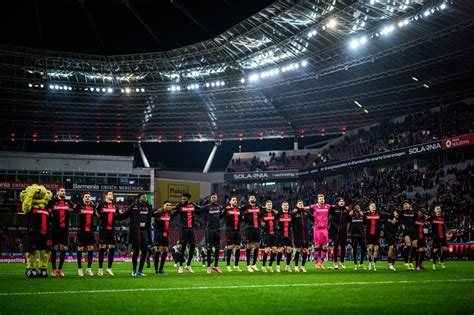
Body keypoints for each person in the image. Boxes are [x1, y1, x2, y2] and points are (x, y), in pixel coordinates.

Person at [118, 194, 153, 276]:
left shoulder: (148, 207)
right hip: (136, 232)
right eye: (143, 196)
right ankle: (134, 270)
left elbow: (153, 214)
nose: (145, 198)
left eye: (145, 197)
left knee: (144, 252)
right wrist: (116, 215)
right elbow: (125, 214)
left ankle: (140, 270)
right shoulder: (134, 206)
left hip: (145, 232)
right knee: (136, 252)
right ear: (139, 198)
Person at [172, 193, 201, 274]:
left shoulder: (192, 205)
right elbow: (173, 211)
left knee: (192, 247)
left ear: (188, 199)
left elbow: (200, 210)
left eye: (184, 199)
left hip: (191, 229)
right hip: (183, 229)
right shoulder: (179, 206)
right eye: (182, 199)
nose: (182, 200)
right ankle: (180, 265)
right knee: (183, 247)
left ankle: (188, 265)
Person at [47, 187, 74, 277]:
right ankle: (54, 269)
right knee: (54, 248)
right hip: (54, 228)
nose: (64, 192)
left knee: (63, 248)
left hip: (64, 229)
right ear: (57, 192)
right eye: (62, 191)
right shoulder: (52, 202)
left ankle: (60, 269)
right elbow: (46, 209)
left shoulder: (68, 202)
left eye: (64, 191)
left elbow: (75, 208)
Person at [95, 191, 118, 276]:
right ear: (106, 196)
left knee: (112, 248)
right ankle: (100, 269)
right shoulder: (101, 205)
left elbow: (118, 216)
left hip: (111, 230)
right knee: (102, 248)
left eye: (112, 194)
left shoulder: (114, 206)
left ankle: (109, 268)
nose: (112, 195)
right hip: (103, 230)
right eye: (110, 194)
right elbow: (96, 213)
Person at [74, 192, 96, 276]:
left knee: (90, 248)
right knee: (80, 249)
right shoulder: (80, 206)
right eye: (86, 197)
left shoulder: (92, 206)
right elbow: (73, 210)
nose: (87, 198)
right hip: (81, 231)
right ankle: (80, 269)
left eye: (88, 197)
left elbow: (97, 215)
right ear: (83, 198)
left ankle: (88, 269)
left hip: (90, 231)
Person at [200, 193, 223, 274]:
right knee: (209, 248)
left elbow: (222, 216)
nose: (214, 198)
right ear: (210, 199)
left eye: (215, 197)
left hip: (217, 230)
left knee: (217, 248)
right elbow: (199, 209)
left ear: (217, 199)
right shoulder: (207, 207)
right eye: (212, 197)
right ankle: (209, 266)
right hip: (209, 230)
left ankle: (216, 266)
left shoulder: (220, 207)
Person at [240, 192, 262, 272]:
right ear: (249, 200)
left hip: (257, 229)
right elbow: (238, 210)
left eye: (254, 197)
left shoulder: (258, 207)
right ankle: (248, 265)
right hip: (249, 229)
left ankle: (254, 264)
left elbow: (264, 211)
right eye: (251, 198)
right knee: (248, 246)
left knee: (257, 245)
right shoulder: (245, 207)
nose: (253, 199)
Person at [309, 194, 330, 270]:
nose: (322, 200)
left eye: (323, 198)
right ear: (317, 200)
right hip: (317, 229)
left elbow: (336, 207)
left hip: (324, 229)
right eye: (320, 199)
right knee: (317, 246)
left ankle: (321, 263)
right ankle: (316, 263)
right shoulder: (314, 206)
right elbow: (306, 208)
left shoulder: (328, 206)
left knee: (324, 247)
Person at [222, 196, 242, 272]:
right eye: (233, 200)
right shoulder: (227, 209)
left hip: (237, 231)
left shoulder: (238, 210)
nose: (235, 201)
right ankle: (228, 265)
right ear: (230, 202)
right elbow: (221, 216)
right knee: (230, 247)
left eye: (236, 200)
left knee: (238, 247)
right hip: (229, 231)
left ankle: (236, 265)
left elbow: (241, 219)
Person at [291, 200, 311, 272]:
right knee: (298, 250)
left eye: (302, 204)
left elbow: (313, 218)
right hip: (297, 234)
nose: (301, 205)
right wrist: (294, 212)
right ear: (297, 205)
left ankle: (302, 266)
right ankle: (296, 266)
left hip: (305, 234)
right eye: (299, 204)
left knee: (305, 250)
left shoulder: (306, 212)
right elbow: (290, 220)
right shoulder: (294, 213)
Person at [329, 198, 349, 270]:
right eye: (340, 201)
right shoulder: (334, 209)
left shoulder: (346, 211)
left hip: (343, 232)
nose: (342, 202)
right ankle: (335, 263)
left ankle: (342, 262)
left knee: (343, 247)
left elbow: (349, 219)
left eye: (343, 201)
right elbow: (327, 211)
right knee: (335, 247)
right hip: (335, 231)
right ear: (337, 202)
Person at [154, 200, 173, 274]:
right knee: (158, 251)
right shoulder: (159, 212)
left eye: (169, 205)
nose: (168, 206)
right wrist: (156, 212)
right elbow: (152, 214)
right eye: (167, 205)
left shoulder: (169, 213)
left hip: (166, 234)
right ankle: (156, 270)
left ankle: (161, 269)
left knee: (165, 251)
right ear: (163, 205)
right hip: (159, 234)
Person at [259, 200, 278, 273]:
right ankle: (263, 266)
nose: (269, 205)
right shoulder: (262, 213)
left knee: (274, 250)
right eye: (268, 204)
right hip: (266, 233)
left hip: (274, 233)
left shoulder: (274, 213)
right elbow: (257, 218)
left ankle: (270, 266)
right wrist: (261, 224)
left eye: (270, 204)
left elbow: (278, 217)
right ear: (266, 205)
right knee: (267, 250)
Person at [276, 201, 293, 272]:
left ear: (288, 206)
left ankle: (287, 266)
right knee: (280, 250)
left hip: (288, 234)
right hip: (281, 234)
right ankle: (278, 266)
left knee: (289, 250)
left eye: (287, 205)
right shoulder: (278, 214)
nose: (286, 206)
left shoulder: (290, 214)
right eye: (284, 205)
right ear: (282, 206)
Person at [399, 200, 416, 270]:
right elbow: (398, 218)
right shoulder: (401, 212)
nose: (405, 205)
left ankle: (411, 262)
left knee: (415, 246)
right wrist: (401, 224)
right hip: (406, 231)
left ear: (410, 205)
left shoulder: (414, 212)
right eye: (404, 205)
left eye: (406, 204)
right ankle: (406, 262)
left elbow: (416, 220)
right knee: (408, 244)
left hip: (413, 231)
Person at [429, 205, 448, 269]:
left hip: (443, 236)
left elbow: (444, 227)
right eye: (437, 209)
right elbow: (424, 220)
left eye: (439, 209)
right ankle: (434, 264)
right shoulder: (432, 218)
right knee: (435, 250)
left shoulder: (443, 218)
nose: (438, 210)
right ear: (434, 210)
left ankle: (442, 262)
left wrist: (447, 233)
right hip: (436, 236)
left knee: (445, 249)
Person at [365, 202, 381, 271]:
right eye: (372, 205)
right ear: (369, 207)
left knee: (376, 249)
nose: (373, 206)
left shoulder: (378, 214)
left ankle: (374, 263)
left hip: (376, 234)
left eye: (374, 205)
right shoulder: (366, 214)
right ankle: (369, 262)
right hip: (369, 234)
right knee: (370, 249)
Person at [349, 205, 366, 270]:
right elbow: (347, 219)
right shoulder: (351, 215)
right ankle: (355, 264)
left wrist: (363, 215)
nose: (358, 208)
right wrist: (349, 214)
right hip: (354, 235)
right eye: (357, 207)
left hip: (361, 234)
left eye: (359, 207)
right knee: (355, 249)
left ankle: (361, 263)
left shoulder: (362, 215)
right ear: (354, 209)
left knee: (363, 248)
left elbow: (365, 222)